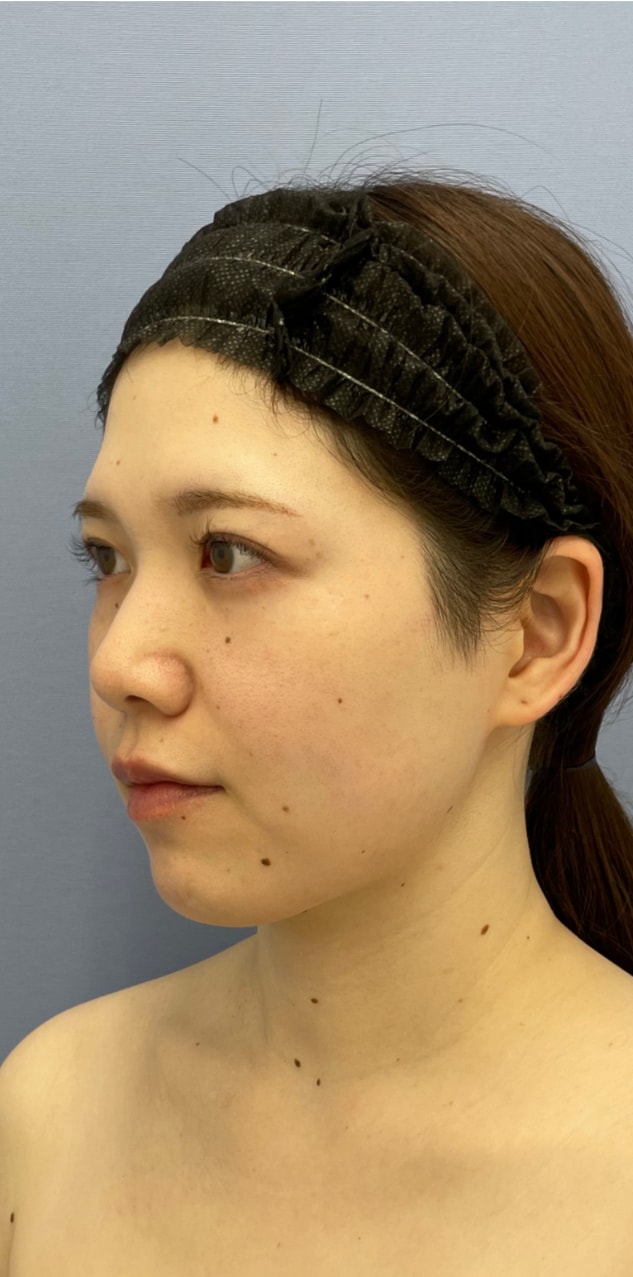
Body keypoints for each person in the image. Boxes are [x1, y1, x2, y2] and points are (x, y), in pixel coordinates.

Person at [6, 168, 633, 1273]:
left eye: (229, 552)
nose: (120, 663)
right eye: (108, 556)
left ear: (535, 632)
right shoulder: (47, 1116)